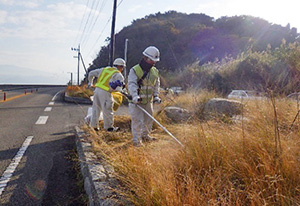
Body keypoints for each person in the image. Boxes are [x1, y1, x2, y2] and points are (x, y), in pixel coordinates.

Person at [128, 46, 162, 146]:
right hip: (136, 102)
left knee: (148, 120)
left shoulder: (155, 71)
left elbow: (156, 84)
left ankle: (145, 136)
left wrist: (156, 96)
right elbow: (132, 84)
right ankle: (137, 141)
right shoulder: (135, 70)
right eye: (151, 60)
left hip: (148, 101)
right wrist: (135, 96)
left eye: (154, 61)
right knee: (137, 121)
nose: (153, 63)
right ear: (145, 58)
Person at [88, 58, 125, 132]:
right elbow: (119, 88)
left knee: (96, 109)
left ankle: (94, 127)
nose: (122, 69)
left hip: (97, 91)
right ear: (120, 67)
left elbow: (91, 73)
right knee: (107, 110)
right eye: (122, 67)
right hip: (105, 93)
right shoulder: (118, 74)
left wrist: (90, 83)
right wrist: (123, 92)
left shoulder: (104, 69)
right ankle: (109, 128)